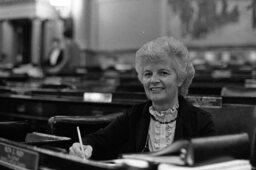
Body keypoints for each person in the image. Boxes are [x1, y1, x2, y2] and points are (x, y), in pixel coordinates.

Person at [69, 36, 215, 160]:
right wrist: (83, 147)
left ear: (180, 79)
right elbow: (99, 140)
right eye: (148, 74)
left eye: (163, 73)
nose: (153, 80)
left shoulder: (201, 122)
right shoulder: (134, 116)